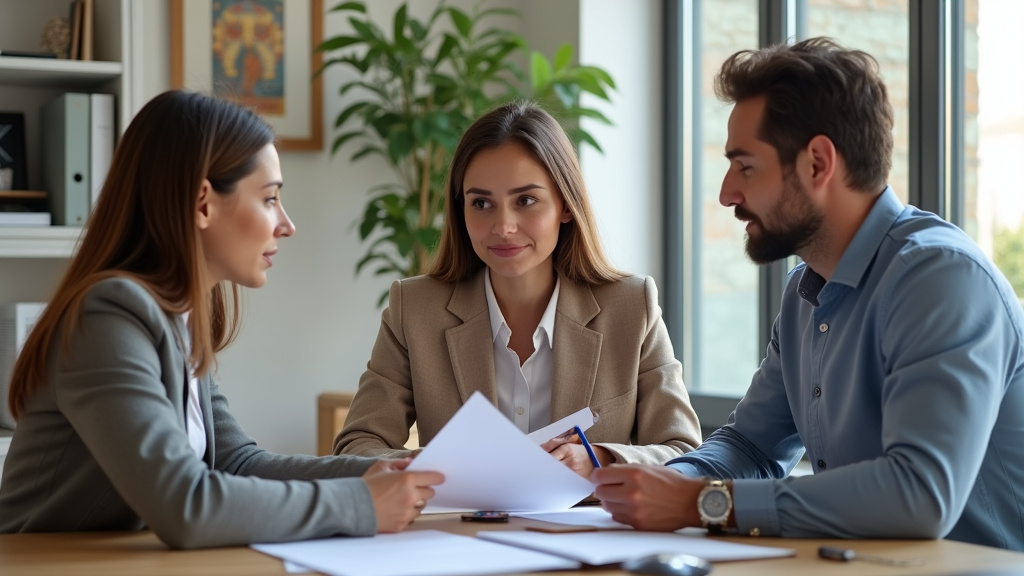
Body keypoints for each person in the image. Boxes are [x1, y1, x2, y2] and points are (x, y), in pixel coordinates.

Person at [591, 37, 1024, 551]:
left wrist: (702, 503)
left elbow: (920, 493)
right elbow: (751, 447)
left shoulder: (941, 278)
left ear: (818, 163)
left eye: (745, 167)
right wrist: (655, 487)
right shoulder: (804, 292)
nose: (727, 194)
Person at [0, 90, 444, 549]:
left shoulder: (178, 316)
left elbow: (237, 463)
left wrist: (386, 470)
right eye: (270, 199)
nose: (286, 224)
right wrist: (360, 503)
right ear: (203, 203)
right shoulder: (107, 318)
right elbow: (184, 504)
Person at [334, 102, 701, 475]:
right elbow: (357, 447)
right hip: (458, 515)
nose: (503, 226)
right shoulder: (414, 309)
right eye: (481, 203)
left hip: (587, 515)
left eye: (525, 201)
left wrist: (599, 460)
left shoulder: (631, 307)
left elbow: (685, 452)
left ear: (565, 205)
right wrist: (441, 466)